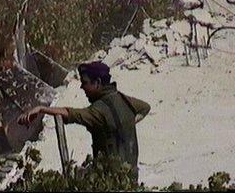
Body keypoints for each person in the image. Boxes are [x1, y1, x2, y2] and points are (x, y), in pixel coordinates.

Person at [17, 61, 151, 182]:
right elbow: (145, 107)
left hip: (110, 180)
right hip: (131, 178)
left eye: (85, 82)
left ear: (97, 82)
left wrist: (41, 109)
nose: (82, 87)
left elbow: (71, 113)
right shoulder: (124, 100)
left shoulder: (97, 111)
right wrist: (124, 124)